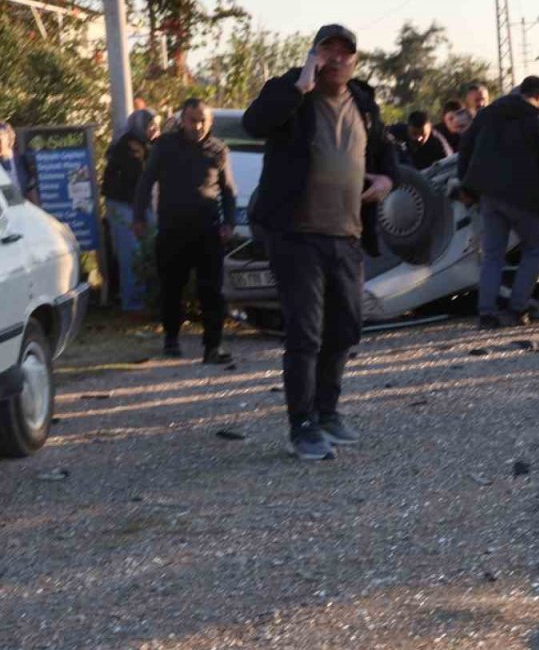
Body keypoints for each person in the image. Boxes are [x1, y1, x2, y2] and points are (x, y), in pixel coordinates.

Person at [243, 23, 399, 461]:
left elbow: (386, 151)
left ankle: (328, 411)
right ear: (313, 54)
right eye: (326, 50)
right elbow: (256, 123)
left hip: (347, 234)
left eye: (344, 52)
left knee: (346, 326)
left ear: (354, 59)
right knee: (305, 331)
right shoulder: (289, 91)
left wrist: (388, 178)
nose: (336, 57)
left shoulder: (364, 101)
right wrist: (300, 85)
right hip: (295, 234)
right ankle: (302, 425)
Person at [132, 98, 235, 364]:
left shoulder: (218, 150)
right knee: (171, 288)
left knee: (211, 290)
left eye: (203, 121)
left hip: (208, 230)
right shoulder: (165, 146)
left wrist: (229, 223)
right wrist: (139, 217)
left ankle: (213, 346)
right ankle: (171, 339)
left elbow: (228, 191)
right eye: (192, 120)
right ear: (182, 119)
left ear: (210, 122)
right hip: (172, 229)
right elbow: (146, 182)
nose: (198, 126)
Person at [458, 75, 539, 328]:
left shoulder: (489, 114)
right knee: (536, 248)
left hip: (489, 196)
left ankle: (486, 313)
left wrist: (466, 185)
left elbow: (466, 145)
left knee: (493, 255)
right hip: (525, 199)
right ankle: (517, 309)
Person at [104, 108, 160, 313]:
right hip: (123, 205)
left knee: (151, 249)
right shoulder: (126, 145)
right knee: (131, 253)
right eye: (150, 125)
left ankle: (150, 299)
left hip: (142, 204)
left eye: (155, 125)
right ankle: (133, 304)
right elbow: (139, 175)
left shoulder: (148, 145)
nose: (154, 129)